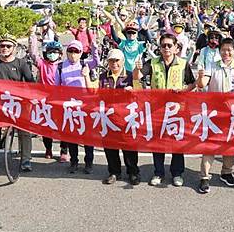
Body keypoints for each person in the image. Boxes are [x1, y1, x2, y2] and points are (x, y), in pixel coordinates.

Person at [133, 33, 196, 187]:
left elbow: (192, 84)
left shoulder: (183, 63)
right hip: (157, 110)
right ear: (159, 48)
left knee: (177, 142)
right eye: (163, 45)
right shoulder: (152, 63)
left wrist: (182, 90)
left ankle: (177, 173)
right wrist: (136, 68)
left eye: (169, 45)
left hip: (177, 110)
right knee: (157, 142)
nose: (166, 48)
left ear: (176, 48)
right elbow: (137, 77)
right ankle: (158, 172)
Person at [196, 37, 234, 194]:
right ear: (219, 51)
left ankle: (226, 172)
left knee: (229, 144)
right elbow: (202, 84)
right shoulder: (212, 65)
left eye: (229, 50)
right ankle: (204, 177)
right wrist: (200, 77)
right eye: (223, 50)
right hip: (214, 112)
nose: (226, 52)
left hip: (233, 113)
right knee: (210, 145)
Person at [0, 34, 35, 171]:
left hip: (17, 103)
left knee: (24, 131)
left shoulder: (21, 63)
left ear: (14, 48)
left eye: (8, 46)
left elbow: (30, 82)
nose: (5, 48)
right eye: (2, 45)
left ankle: (26, 159)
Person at [55, 39, 100, 174]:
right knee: (71, 136)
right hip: (69, 106)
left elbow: (96, 63)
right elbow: (56, 88)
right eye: (70, 51)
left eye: (76, 51)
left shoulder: (84, 64)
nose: (73, 54)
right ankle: (74, 161)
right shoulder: (60, 66)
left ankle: (89, 162)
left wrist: (95, 49)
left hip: (85, 106)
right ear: (66, 52)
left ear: (81, 53)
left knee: (88, 136)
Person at [99, 49, 141, 186]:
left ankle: (133, 172)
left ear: (122, 61)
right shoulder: (103, 77)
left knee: (129, 147)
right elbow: (95, 94)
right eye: (111, 60)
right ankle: (114, 172)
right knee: (110, 146)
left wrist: (132, 91)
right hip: (108, 117)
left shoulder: (130, 76)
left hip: (126, 119)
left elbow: (140, 93)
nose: (114, 63)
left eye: (117, 60)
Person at [28, 26, 68, 161]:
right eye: (50, 52)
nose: (52, 54)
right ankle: (48, 149)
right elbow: (33, 53)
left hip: (61, 101)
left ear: (60, 54)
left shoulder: (64, 66)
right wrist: (32, 36)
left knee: (64, 127)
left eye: (55, 52)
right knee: (46, 127)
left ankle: (63, 151)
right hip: (45, 101)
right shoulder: (42, 64)